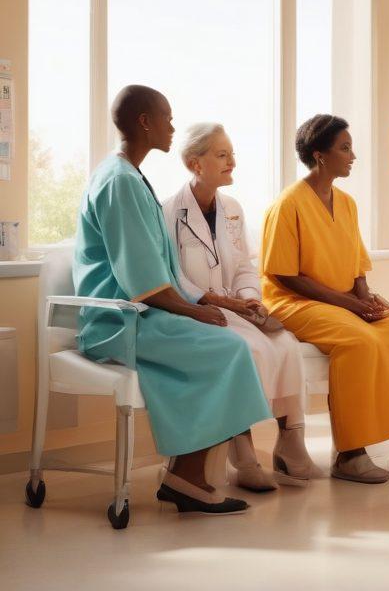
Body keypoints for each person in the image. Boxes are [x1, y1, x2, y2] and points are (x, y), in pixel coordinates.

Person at [74, 85, 270, 515]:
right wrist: (195, 310)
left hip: (139, 315)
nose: (172, 126)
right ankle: (188, 478)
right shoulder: (120, 182)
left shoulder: (130, 176)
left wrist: (202, 308)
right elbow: (142, 279)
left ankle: (187, 475)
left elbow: (155, 272)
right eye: (167, 117)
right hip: (116, 322)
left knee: (228, 344)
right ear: (145, 121)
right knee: (229, 349)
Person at [260, 114, 389, 484]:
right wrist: (349, 305)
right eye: (345, 148)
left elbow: (356, 263)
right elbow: (284, 275)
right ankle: (350, 454)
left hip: (345, 298)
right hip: (294, 302)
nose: (353, 156)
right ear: (320, 156)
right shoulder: (287, 205)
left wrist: (364, 296)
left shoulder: (346, 203)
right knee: (359, 342)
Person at [164, 123, 320, 492]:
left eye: (231, 153)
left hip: (236, 308)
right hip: (200, 311)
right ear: (194, 163)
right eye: (222, 154)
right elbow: (173, 278)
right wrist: (222, 302)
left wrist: (249, 298)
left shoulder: (232, 209)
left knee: (286, 345)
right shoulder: (169, 212)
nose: (232, 161)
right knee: (248, 351)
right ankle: (242, 449)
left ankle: (290, 440)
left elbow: (246, 266)